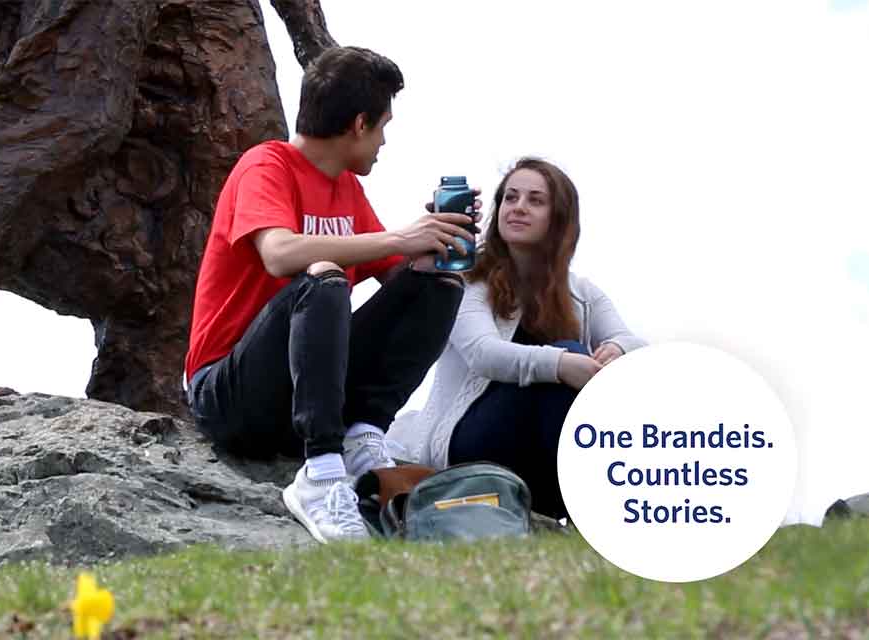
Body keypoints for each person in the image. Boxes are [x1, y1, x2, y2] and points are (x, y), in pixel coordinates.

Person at [184, 46, 478, 543]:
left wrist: (437, 245)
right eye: (384, 127)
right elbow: (278, 253)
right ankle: (320, 474)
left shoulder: (346, 189)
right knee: (322, 277)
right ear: (360, 124)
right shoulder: (266, 164)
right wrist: (398, 239)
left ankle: (363, 433)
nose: (385, 142)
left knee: (438, 284)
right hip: (230, 396)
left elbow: (398, 283)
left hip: (308, 398)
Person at [387, 158, 646, 521]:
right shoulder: (470, 276)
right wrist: (562, 364)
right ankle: (608, 501)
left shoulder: (581, 292)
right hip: (468, 443)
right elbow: (483, 354)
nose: (519, 207)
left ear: (558, 218)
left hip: (538, 456)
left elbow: (633, 341)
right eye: (511, 198)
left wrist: (618, 349)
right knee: (568, 358)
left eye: (535, 200)